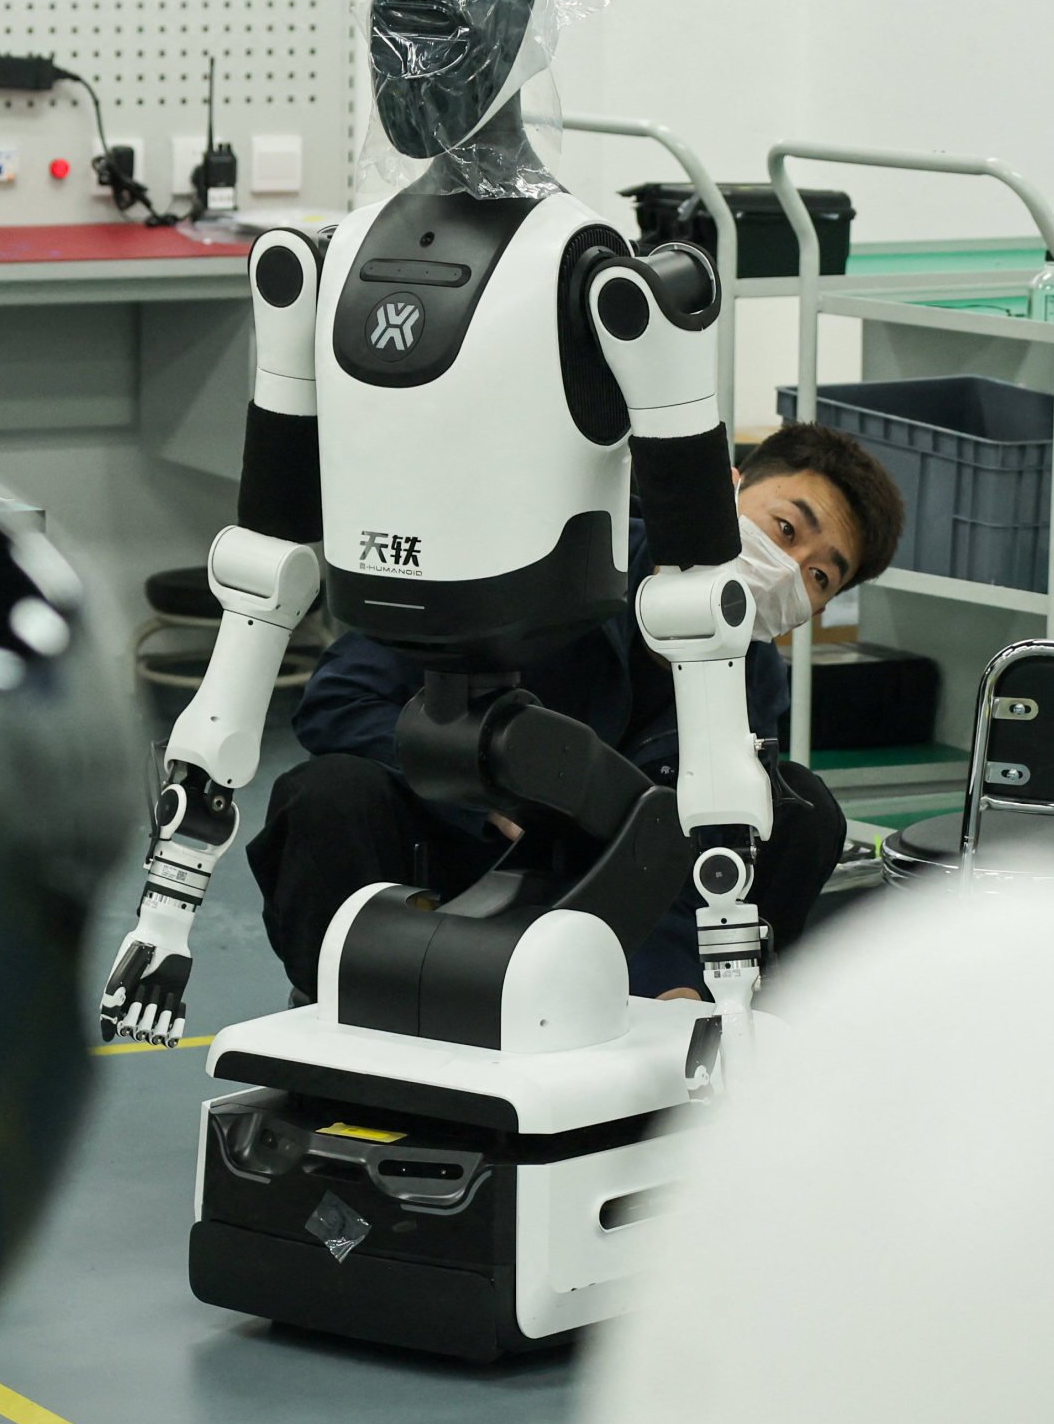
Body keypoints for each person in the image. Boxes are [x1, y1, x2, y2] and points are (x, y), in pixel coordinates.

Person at [248, 421, 905, 1000]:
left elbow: (700, 858)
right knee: (330, 793)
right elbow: (338, 702)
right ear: (724, 488)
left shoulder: (753, 680)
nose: (786, 568)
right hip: (443, 858)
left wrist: (669, 985)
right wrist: (478, 784)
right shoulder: (551, 562)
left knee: (801, 811)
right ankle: (345, 1012)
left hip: (602, 904)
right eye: (784, 529)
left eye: (819, 576)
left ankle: (712, 1023)